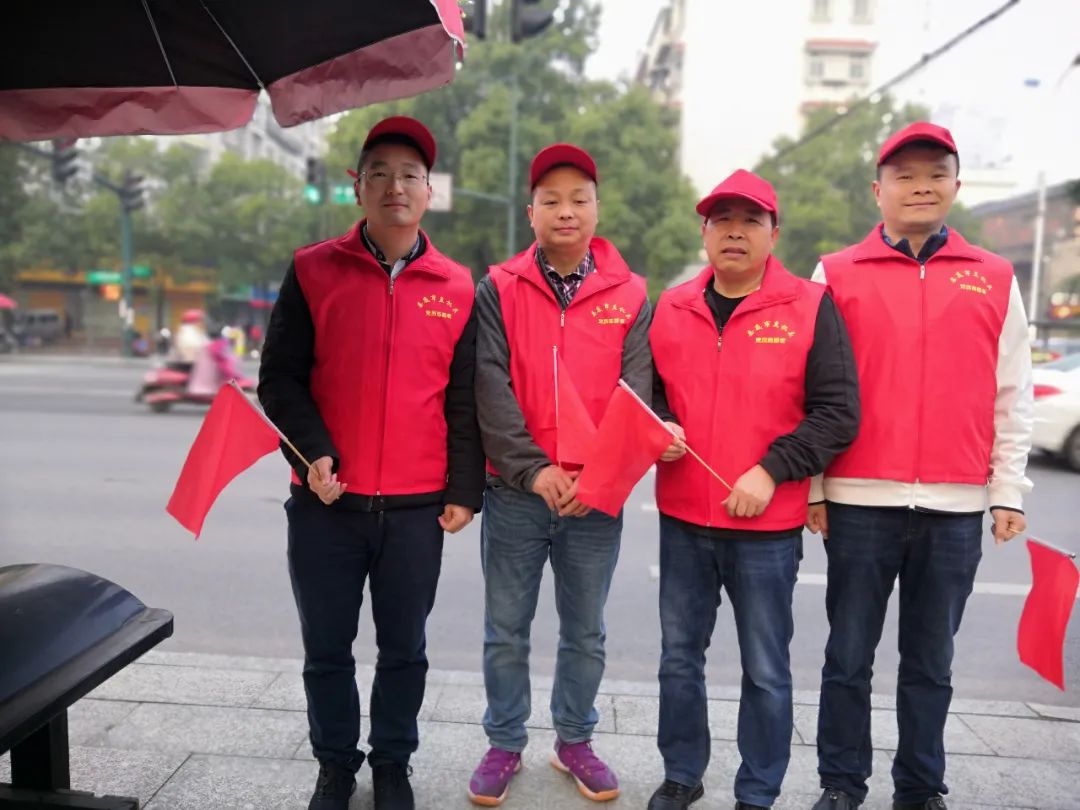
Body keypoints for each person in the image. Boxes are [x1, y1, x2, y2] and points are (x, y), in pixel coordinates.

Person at [258, 116, 485, 810]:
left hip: (416, 509)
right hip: (327, 502)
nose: (396, 186)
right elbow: (280, 379)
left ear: (429, 191)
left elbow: (463, 399)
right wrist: (314, 452)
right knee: (327, 648)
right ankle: (335, 765)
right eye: (379, 172)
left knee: (404, 649)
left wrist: (464, 489)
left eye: (410, 174)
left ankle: (392, 764)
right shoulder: (313, 270)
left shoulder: (458, 285)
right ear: (357, 187)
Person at [807, 122, 1034, 810]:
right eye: (904, 175)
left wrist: (1008, 491)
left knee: (931, 664)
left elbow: (1012, 390)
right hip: (858, 501)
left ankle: (920, 787)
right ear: (877, 190)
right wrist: (814, 486)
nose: (920, 187)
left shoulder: (994, 277)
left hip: (955, 507)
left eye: (935, 174)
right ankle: (841, 785)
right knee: (848, 657)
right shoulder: (835, 273)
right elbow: (810, 389)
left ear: (955, 187)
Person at [647, 170, 860, 810]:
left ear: (774, 233)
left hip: (766, 529)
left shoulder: (811, 306)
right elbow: (647, 393)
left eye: (750, 221)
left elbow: (838, 412)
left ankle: (758, 790)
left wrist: (771, 469)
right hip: (683, 517)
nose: (734, 232)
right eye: (722, 220)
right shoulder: (671, 306)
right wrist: (660, 426)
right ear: (705, 232)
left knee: (765, 668)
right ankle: (682, 773)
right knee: (678, 659)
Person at [468, 144, 653, 806]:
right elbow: (489, 383)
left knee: (585, 632)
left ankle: (575, 740)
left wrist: (597, 479)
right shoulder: (498, 288)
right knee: (505, 630)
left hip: (594, 502)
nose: (565, 211)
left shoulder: (631, 294)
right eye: (551, 200)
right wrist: (533, 468)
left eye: (579, 199)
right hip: (516, 493)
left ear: (597, 209)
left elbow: (637, 393)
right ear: (532, 213)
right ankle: (504, 743)